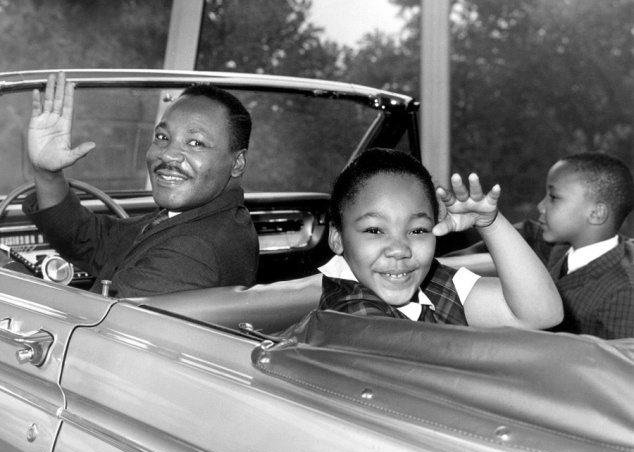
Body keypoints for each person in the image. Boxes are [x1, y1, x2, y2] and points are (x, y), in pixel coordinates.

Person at [23, 72, 259, 297]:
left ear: (237, 162)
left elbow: (93, 323)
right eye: (163, 138)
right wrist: (47, 173)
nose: (168, 155)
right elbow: (89, 240)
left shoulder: (193, 250)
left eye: (196, 143)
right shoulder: (192, 218)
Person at [318, 148, 563, 329]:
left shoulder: (433, 282)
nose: (400, 249)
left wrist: (491, 224)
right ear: (337, 237)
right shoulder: (349, 317)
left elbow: (542, 313)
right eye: (374, 230)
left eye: (417, 230)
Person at [444, 152, 634, 339]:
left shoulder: (623, 293)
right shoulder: (557, 248)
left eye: (553, 197)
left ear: (596, 213)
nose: (540, 206)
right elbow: (523, 236)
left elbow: (621, 363)